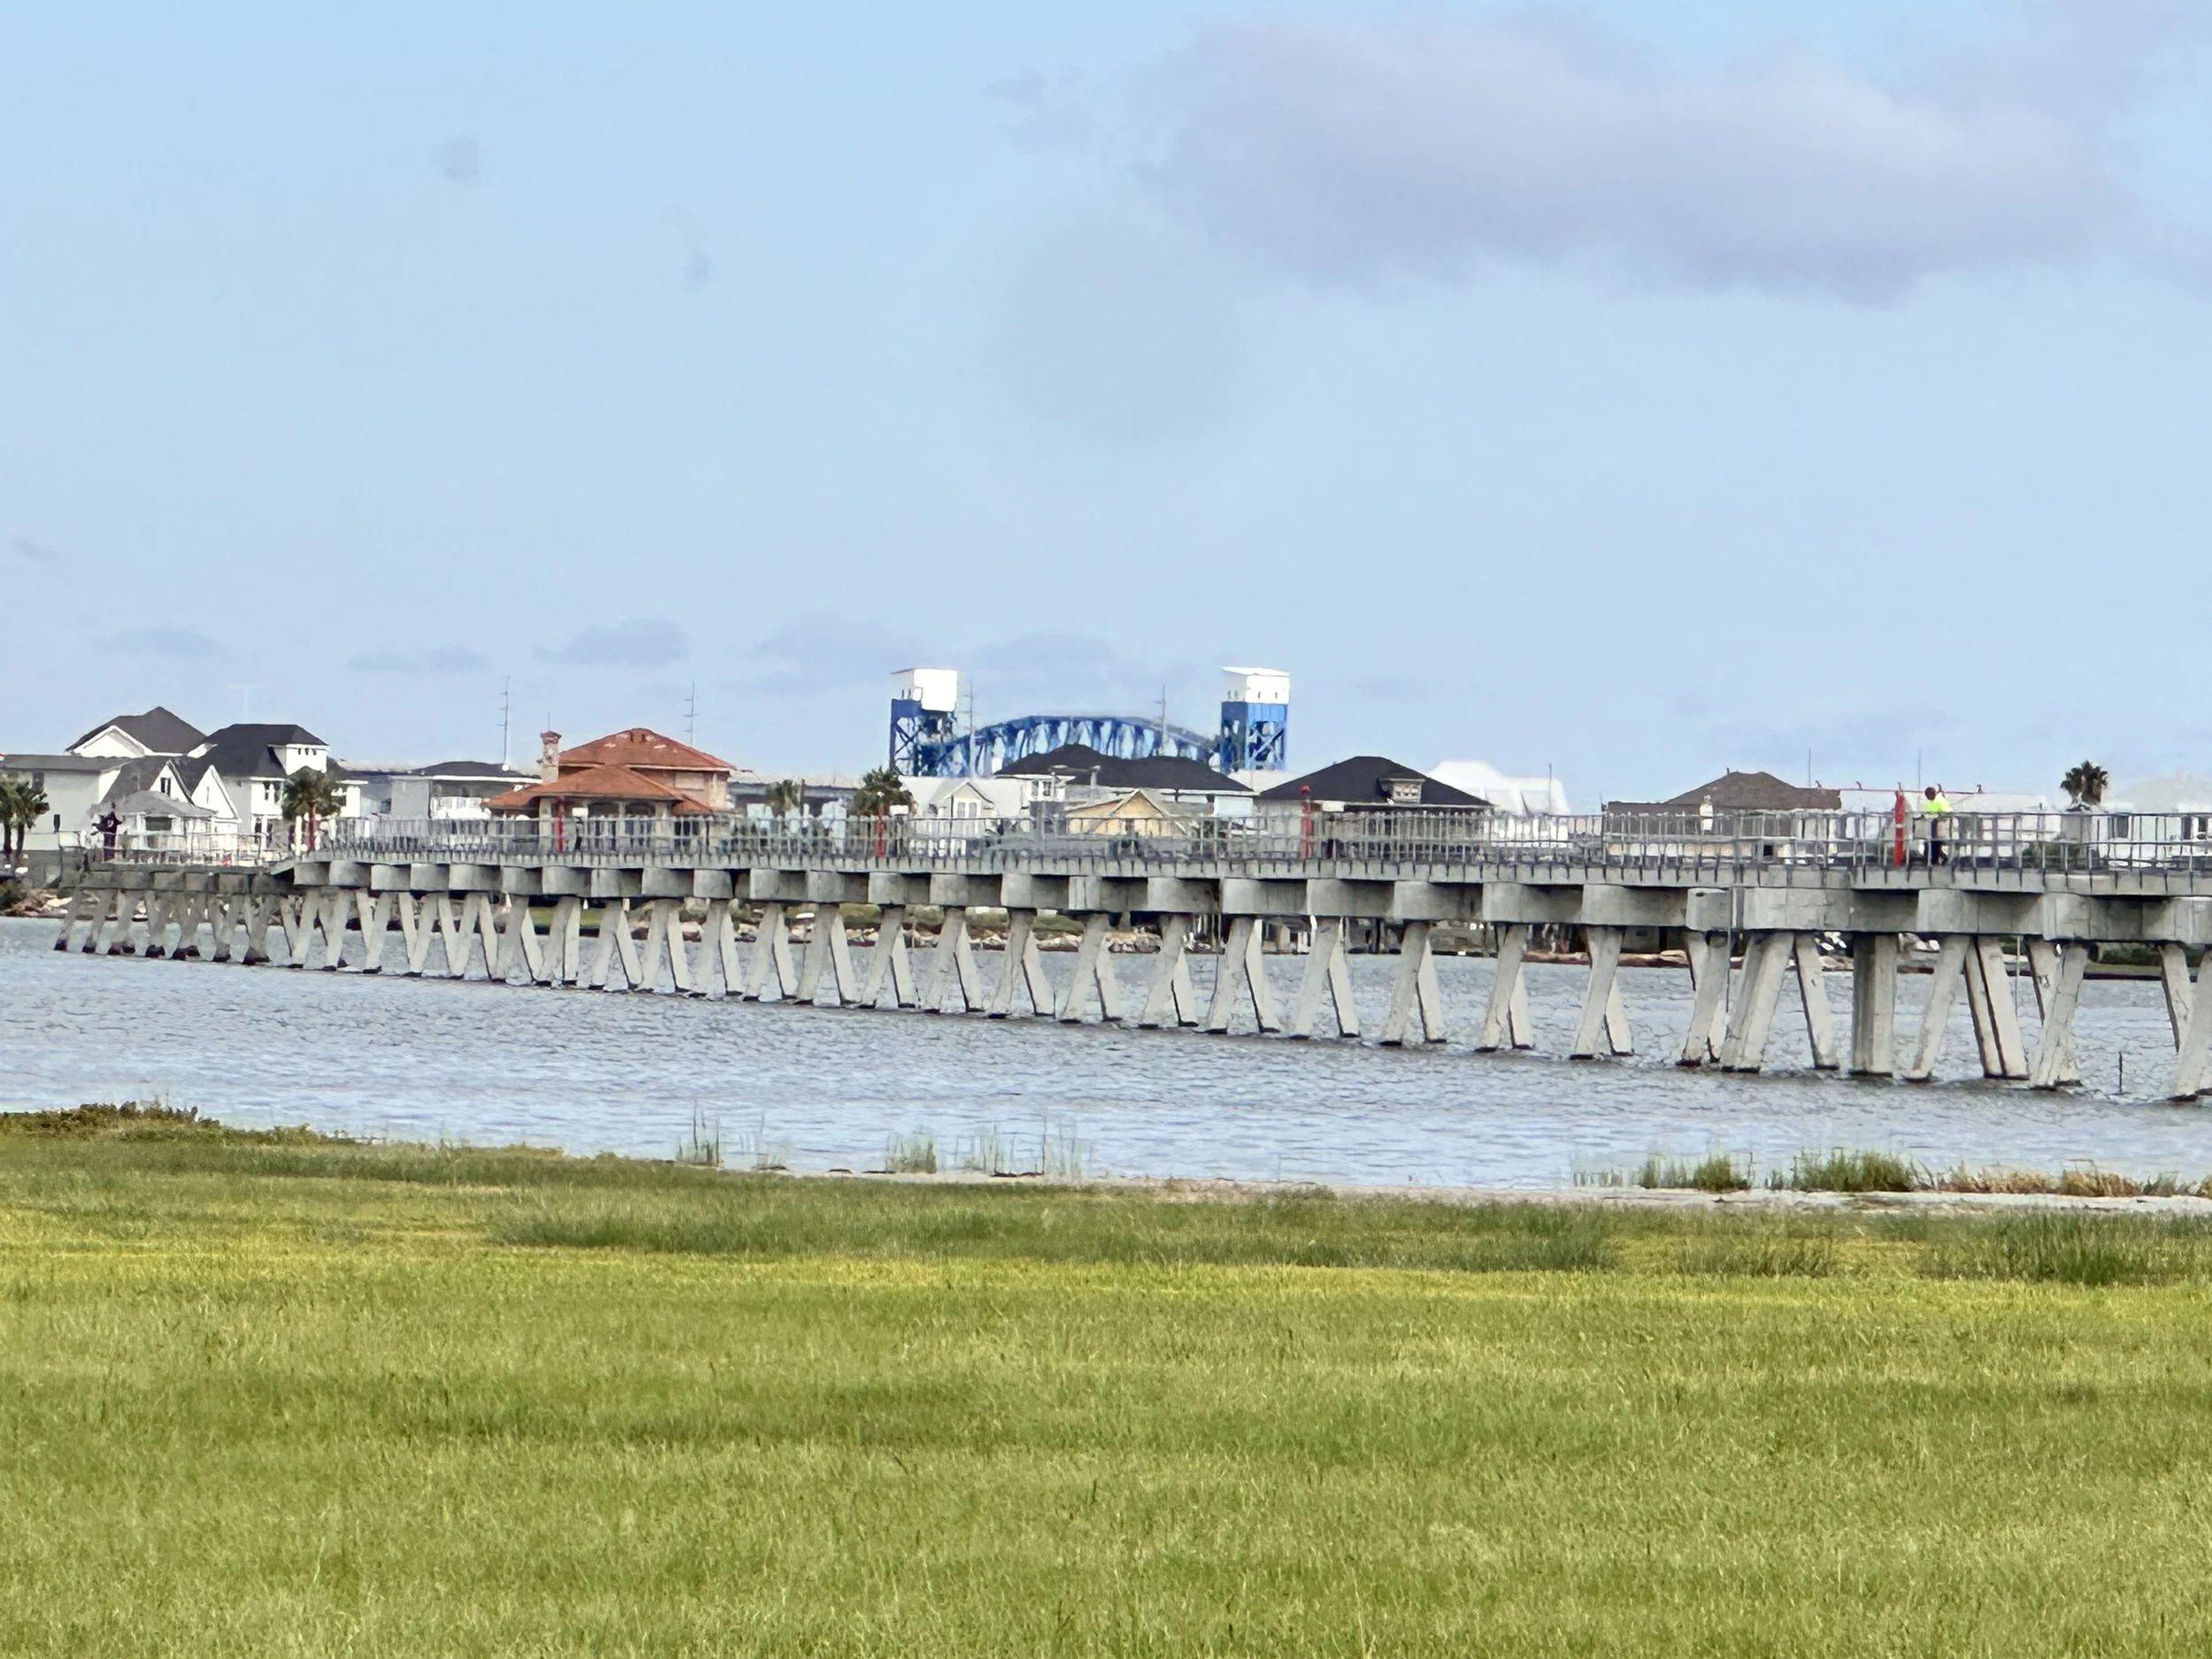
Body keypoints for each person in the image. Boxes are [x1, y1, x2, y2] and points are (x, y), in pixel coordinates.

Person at [1923, 785, 1953, 865]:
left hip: (1942, 822)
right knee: (1937, 843)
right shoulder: (1939, 798)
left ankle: (1939, 858)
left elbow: (1931, 814)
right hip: (1945, 821)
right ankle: (1942, 857)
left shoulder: (1936, 801)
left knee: (1935, 842)